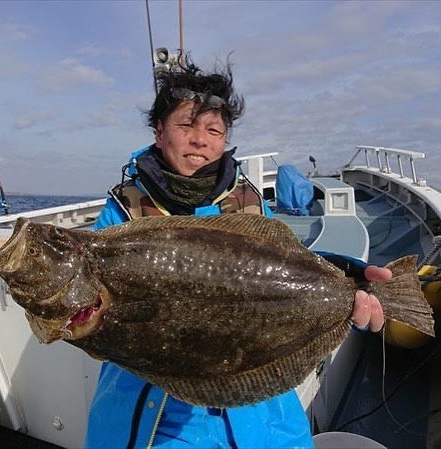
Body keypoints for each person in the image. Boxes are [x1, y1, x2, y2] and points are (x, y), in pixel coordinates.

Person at [84, 55, 391, 449]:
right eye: (185, 125)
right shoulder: (121, 213)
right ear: (159, 133)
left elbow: (280, 271)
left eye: (214, 129)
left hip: (259, 411)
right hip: (157, 414)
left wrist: (345, 276)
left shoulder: (246, 202)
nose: (201, 139)